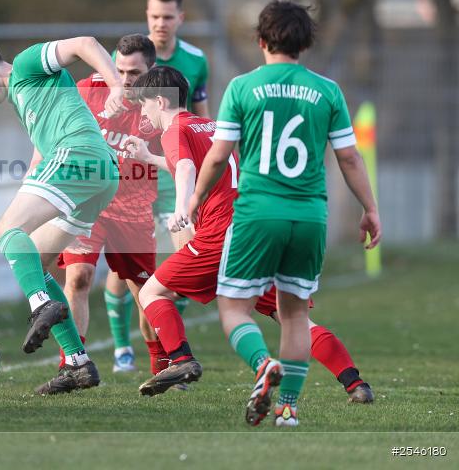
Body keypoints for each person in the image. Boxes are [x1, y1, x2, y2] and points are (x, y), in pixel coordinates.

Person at [123, 67, 375, 409]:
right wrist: (148, 157)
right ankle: (355, 382)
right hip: (254, 231)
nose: (142, 113)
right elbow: (200, 164)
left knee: (153, 291)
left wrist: (182, 209)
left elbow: (185, 168)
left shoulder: (174, 130)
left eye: (143, 105)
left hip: (221, 234)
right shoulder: (207, 125)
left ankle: (182, 359)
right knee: (293, 318)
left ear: (158, 99)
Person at [187, 1, 381, 427]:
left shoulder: (242, 87)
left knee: (233, 308)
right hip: (310, 217)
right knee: (295, 314)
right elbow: (348, 158)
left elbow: (219, 155)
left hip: (258, 214)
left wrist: (195, 198)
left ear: (261, 40)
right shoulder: (328, 91)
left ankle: (261, 363)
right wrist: (370, 208)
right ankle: (288, 408)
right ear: (306, 43)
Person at [0, 37, 124, 394]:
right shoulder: (23, 97)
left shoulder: (26, 65)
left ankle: (40, 305)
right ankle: (77, 363)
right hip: (102, 172)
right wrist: (30, 180)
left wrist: (116, 84)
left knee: (5, 230)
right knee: (37, 260)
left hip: (78, 155)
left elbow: (85, 44)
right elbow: (42, 150)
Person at [104, 0, 212, 361]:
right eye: (153, 16)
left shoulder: (196, 60)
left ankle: (170, 347)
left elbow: (201, 118)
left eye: (167, 17)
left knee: (175, 261)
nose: (160, 24)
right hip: (130, 176)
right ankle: (122, 348)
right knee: (125, 264)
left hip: (169, 176)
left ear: (180, 18)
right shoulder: (127, 57)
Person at [52, 34, 167, 375]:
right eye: (120, 70)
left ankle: (162, 364)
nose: (126, 79)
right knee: (78, 278)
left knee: (145, 293)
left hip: (133, 207)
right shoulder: (89, 89)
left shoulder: (160, 101)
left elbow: (180, 147)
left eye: (134, 73)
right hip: (88, 202)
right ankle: (72, 364)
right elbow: (58, 133)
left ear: (152, 69)